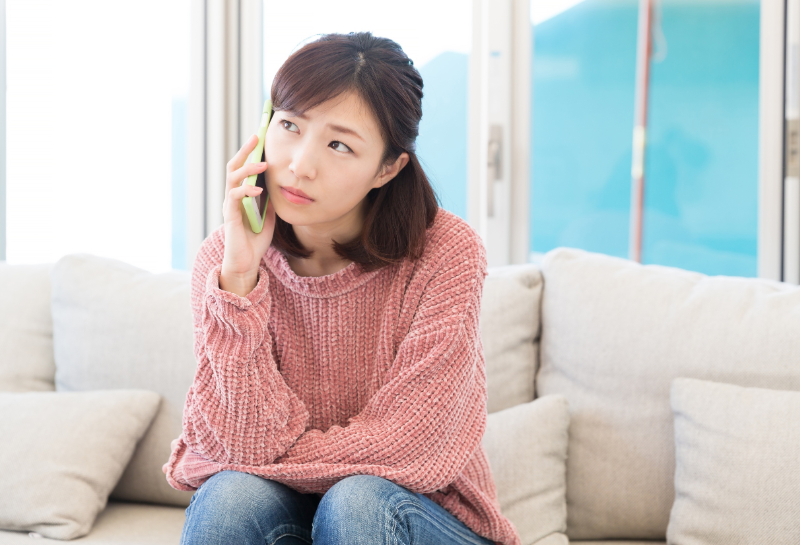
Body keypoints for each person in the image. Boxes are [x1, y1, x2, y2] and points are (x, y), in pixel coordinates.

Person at [162, 31, 521, 545]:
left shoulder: (446, 252)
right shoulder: (224, 261)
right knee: (228, 499)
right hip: (293, 509)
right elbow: (234, 445)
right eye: (289, 125)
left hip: (422, 517)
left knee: (355, 502)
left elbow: (411, 450)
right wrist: (240, 280)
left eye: (339, 145)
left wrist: (269, 454)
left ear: (388, 168)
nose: (299, 165)